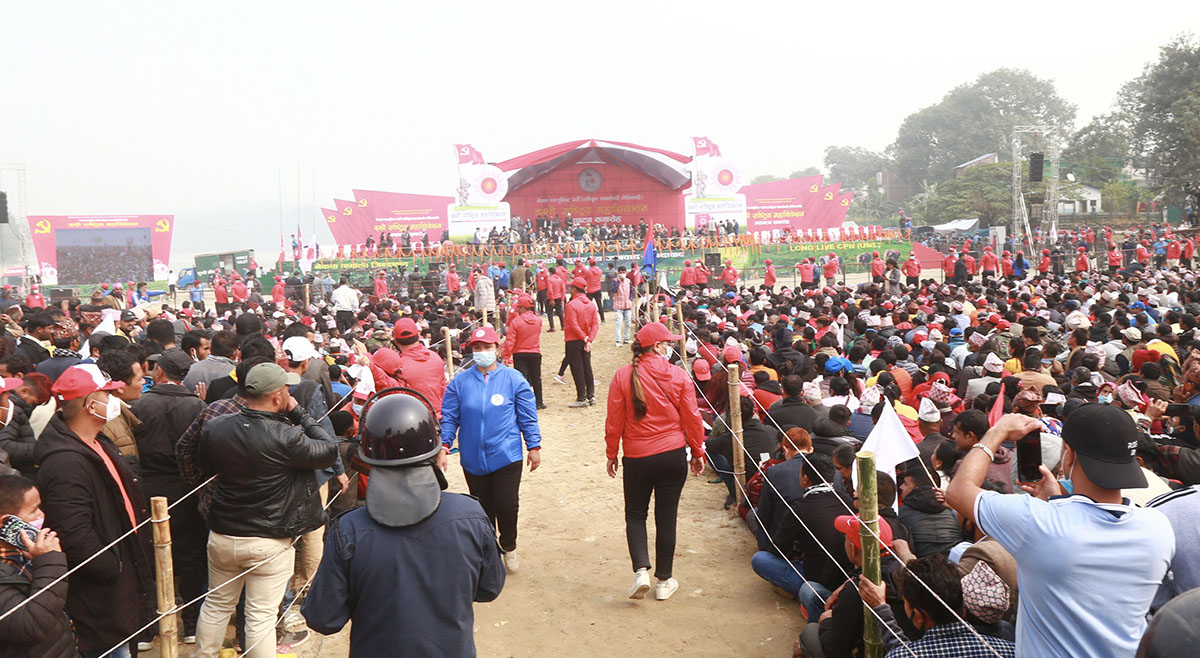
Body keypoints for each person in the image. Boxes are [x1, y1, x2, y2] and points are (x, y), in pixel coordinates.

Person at [945, 408, 1174, 657]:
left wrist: (996, 432)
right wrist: (1057, 500)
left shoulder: (1037, 522)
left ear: (1069, 455)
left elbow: (958, 491)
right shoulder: (1158, 528)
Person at [302, 393, 505, 657]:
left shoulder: (348, 529)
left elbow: (324, 619)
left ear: (366, 454)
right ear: (434, 448)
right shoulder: (470, 515)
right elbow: (489, 589)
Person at [191, 362, 338, 658]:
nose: (289, 393)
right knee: (260, 617)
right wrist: (299, 412)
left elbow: (204, 469)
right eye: (286, 389)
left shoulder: (216, 427)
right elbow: (328, 449)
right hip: (268, 539)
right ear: (276, 396)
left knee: (216, 605)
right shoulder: (286, 436)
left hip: (223, 534)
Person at [35, 364, 153, 658]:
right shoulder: (65, 462)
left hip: (122, 587)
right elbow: (73, 532)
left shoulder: (99, 442)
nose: (114, 400)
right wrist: (114, 568)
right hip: (102, 597)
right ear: (91, 405)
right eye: (107, 394)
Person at [604, 322, 705, 601]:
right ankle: (664, 580)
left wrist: (612, 452)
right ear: (659, 347)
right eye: (668, 343)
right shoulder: (679, 375)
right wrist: (697, 451)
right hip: (672, 454)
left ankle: (640, 571)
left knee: (635, 514)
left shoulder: (623, 375)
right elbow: (692, 418)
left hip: (637, 455)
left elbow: (614, 420)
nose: (670, 347)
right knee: (666, 517)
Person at [440, 326, 541, 573]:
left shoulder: (514, 379)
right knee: (481, 507)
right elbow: (450, 416)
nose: (482, 352)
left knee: (507, 504)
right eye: (477, 348)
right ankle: (489, 551)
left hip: (506, 454)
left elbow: (527, 416)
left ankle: (509, 544)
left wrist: (533, 445)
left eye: (487, 347)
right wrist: (444, 445)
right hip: (473, 456)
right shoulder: (460, 383)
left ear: (497, 349)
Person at [129, 348, 208, 643]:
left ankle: (148, 628)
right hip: (187, 488)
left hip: (148, 487)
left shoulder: (140, 404)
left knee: (147, 556)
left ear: (159, 371)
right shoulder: (197, 407)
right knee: (190, 556)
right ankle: (191, 624)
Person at [859, 554, 1016, 658]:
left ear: (919, 616)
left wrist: (880, 607)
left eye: (905, 602)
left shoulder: (900, 655)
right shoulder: (1011, 651)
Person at [0, 474, 79, 658]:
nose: (41, 515)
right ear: (6, 523)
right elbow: (31, 625)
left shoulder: (21, 552)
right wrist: (50, 561)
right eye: (34, 510)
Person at [502, 294, 545, 410]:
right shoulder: (538, 320)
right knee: (537, 378)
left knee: (520, 379)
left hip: (519, 353)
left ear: (522, 308)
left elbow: (510, 341)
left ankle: (523, 402)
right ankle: (539, 402)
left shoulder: (516, 322)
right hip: (535, 351)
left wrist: (505, 355)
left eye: (518, 308)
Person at [563, 277, 598, 407]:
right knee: (587, 368)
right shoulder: (591, 304)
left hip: (573, 340)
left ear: (574, 289)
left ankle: (581, 397)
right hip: (586, 340)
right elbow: (595, 324)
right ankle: (590, 396)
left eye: (571, 288)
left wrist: (584, 337)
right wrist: (589, 339)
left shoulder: (571, 305)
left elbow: (573, 324)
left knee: (577, 369)